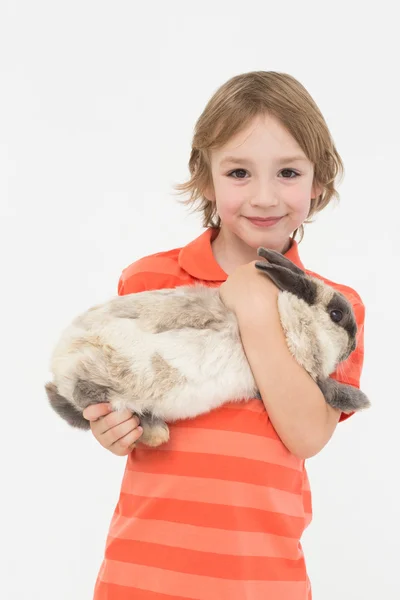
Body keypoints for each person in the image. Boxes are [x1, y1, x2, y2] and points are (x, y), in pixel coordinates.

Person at [83, 71, 365, 600]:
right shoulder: (147, 281)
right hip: (141, 576)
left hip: (263, 583)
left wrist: (256, 305)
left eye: (287, 172)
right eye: (238, 172)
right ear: (206, 180)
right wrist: (111, 429)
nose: (263, 196)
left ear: (318, 183)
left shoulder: (332, 308)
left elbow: (308, 435)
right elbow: (118, 402)